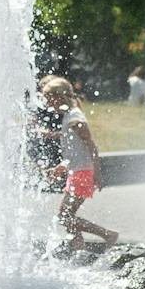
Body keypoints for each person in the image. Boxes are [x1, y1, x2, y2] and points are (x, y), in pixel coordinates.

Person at [41, 76, 117, 252]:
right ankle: (78, 246)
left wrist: (96, 173)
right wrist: (61, 167)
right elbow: (74, 150)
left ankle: (108, 234)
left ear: (59, 97)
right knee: (66, 215)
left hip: (83, 173)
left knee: (64, 216)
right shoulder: (69, 117)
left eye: (48, 98)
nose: (46, 102)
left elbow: (92, 147)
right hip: (77, 171)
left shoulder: (75, 118)